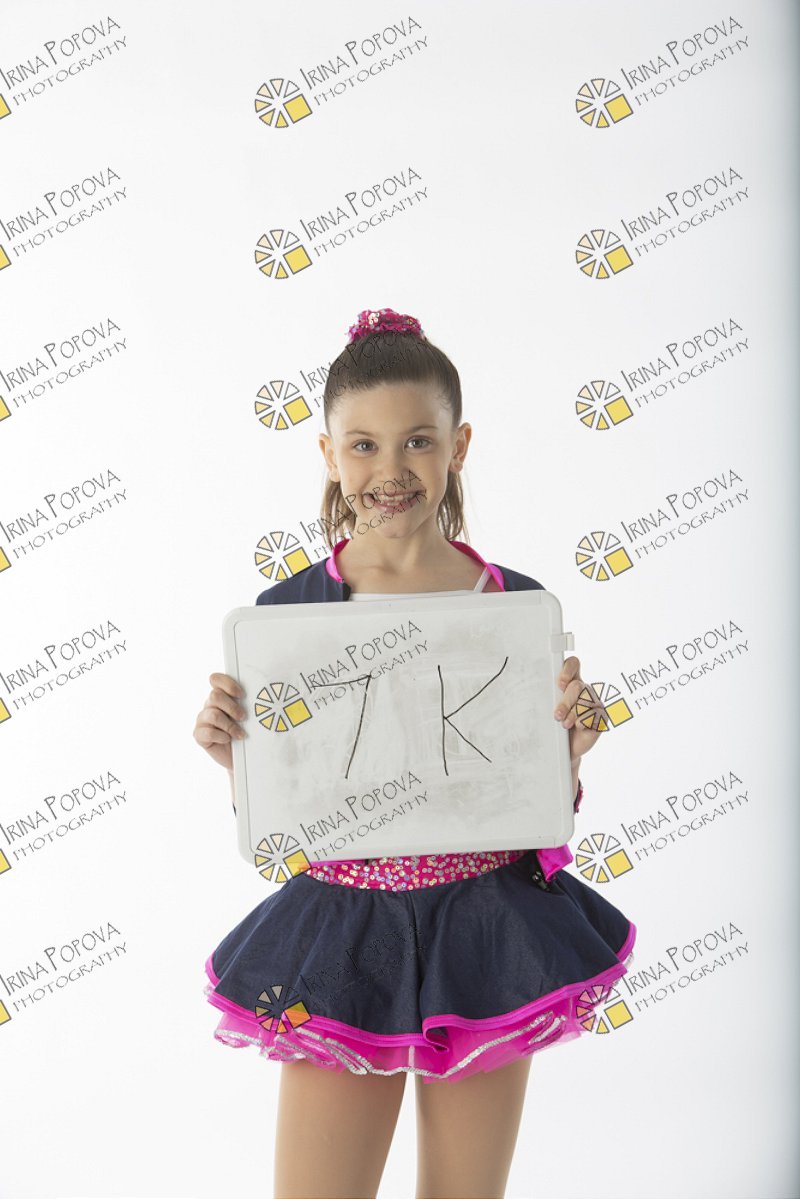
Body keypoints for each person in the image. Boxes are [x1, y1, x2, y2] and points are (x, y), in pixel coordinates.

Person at [193, 307, 637, 1199]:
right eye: (363, 445)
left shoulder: (514, 608)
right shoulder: (286, 618)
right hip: (344, 928)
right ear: (328, 454)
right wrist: (235, 758)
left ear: (457, 446)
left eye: (418, 441)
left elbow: (525, 804)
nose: (390, 470)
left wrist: (572, 754)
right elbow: (292, 810)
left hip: (487, 929)